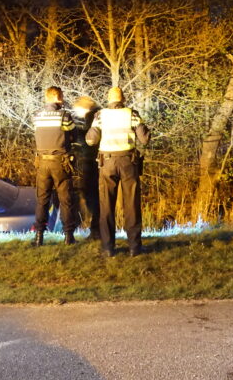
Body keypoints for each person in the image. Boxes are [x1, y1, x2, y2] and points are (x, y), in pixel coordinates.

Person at [86, 87, 150, 257]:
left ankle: (108, 248)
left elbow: (91, 140)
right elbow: (144, 139)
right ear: (123, 98)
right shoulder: (132, 114)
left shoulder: (100, 115)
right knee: (131, 205)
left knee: (106, 205)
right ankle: (134, 247)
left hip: (107, 163)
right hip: (128, 162)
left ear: (108, 99)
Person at [32, 86, 76, 246]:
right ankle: (68, 237)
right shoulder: (64, 116)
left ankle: (38, 238)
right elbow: (73, 135)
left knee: (42, 200)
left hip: (42, 162)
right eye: (62, 97)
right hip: (60, 163)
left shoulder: (37, 116)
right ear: (58, 97)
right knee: (66, 200)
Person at [71, 96, 101, 240]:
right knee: (93, 196)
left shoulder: (92, 116)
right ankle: (97, 230)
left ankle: (96, 231)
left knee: (91, 196)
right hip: (95, 161)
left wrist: (74, 134)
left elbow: (90, 140)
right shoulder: (97, 115)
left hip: (92, 161)